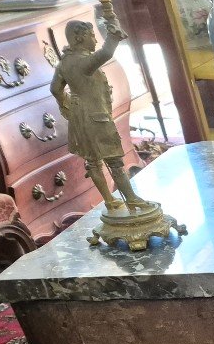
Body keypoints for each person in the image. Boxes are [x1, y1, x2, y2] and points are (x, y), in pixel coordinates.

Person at [50, 19, 150, 213]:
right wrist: (113, 37)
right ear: (79, 38)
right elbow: (105, 53)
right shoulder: (83, 62)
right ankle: (131, 198)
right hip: (96, 117)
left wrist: (69, 105)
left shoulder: (64, 63)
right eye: (92, 35)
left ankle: (109, 200)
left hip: (80, 117)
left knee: (93, 160)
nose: (95, 39)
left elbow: (55, 88)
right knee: (114, 160)